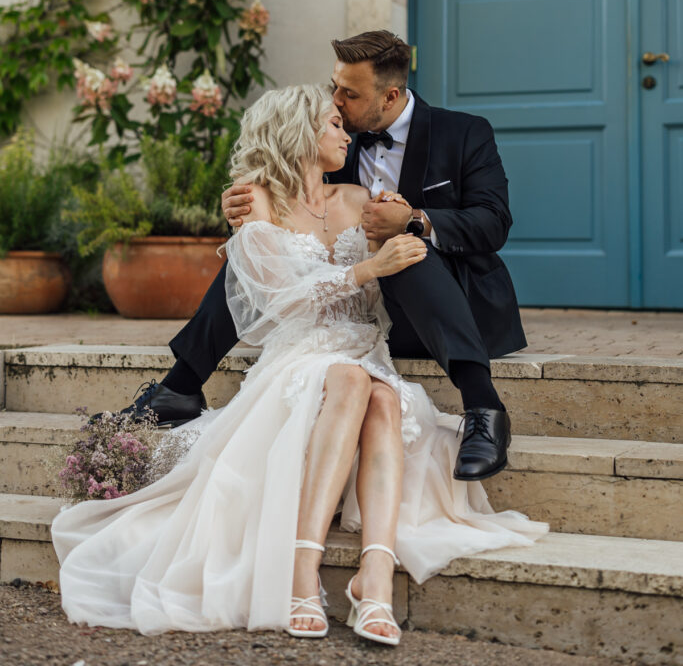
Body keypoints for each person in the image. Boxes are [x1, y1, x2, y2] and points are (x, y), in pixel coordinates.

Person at [54, 85, 547, 643]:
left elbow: (419, 261)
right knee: (354, 382)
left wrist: (403, 228)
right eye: (334, 123)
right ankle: (305, 572)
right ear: (299, 133)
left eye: (343, 116)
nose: (346, 132)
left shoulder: (360, 197)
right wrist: (366, 268)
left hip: (366, 345)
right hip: (303, 351)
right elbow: (278, 300)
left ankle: (372, 578)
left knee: (383, 395)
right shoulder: (257, 203)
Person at [106, 30, 525, 482]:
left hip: (445, 308)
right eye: (334, 88)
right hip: (361, 314)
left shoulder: (463, 133)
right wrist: (245, 211)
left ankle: (484, 409)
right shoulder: (337, 138)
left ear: (390, 95)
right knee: (255, 256)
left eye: (350, 94)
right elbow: (295, 214)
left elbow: (493, 222)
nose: (337, 102)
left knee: (406, 250)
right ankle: (181, 387)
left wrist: (414, 220)